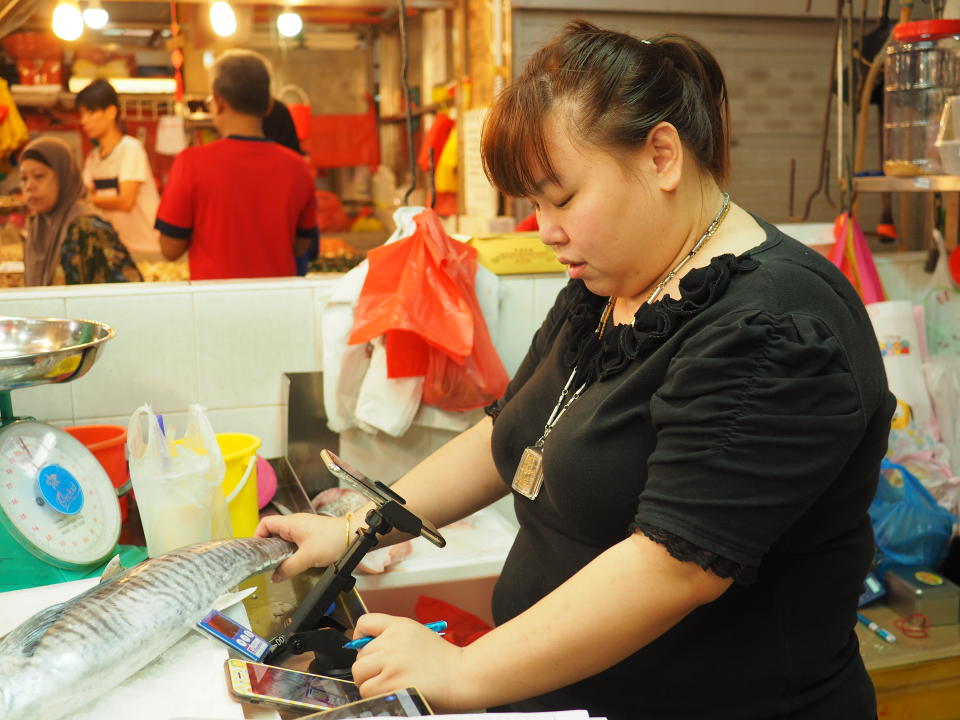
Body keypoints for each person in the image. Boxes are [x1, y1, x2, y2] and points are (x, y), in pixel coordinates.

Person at [256, 21, 894, 719]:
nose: (545, 229)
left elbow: (670, 569)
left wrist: (465, 671)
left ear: (660, 156)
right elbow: (508, 438)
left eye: (562, 199)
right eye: (534, 204)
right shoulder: (614, 285)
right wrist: (360, 528)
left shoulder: (776, 332)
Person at [154, 50, 318, 280]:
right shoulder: (298, 167)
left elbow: (170, 249)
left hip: (214, 306)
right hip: (280, 304)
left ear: (218, 102)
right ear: (269, 106)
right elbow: (301, 246)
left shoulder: (191, 163)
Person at [20, 136, 142, 285]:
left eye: (38, 176)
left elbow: (129, 292)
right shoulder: (36, 228)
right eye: (24, 178)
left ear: (63, 176)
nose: (29, 186)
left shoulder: (88, 228)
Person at [76, 79, 161, 261]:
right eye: (82, 115)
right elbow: (84, 198)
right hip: (117, 252)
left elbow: (126, 201)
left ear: (111, 112)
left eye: (90, 113)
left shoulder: (131, 149)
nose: (84, 121)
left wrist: (89, 200)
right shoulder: (92, 159)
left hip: (148, 251)